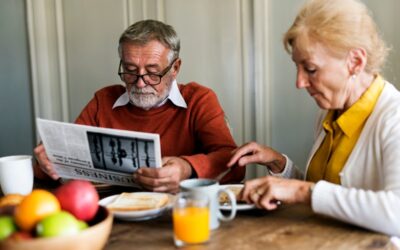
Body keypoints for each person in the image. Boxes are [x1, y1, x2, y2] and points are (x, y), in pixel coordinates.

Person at [228, 0, 400, 236]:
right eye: (297, 67)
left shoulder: (394, 117)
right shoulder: (329, 112)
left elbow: (396, 213)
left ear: (355, 62)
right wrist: (280, 165)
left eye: (310, 69)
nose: (299, 82)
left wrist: (300, 191)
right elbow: (326, 192)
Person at [34, 20, 245, 193]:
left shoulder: (199, 99)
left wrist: (187, 168)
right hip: (113, 213)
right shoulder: (103, 100)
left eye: (153, 71)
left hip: (181, 212)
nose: (140, 82)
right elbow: (62, 164)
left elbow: (233, 165)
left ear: (175, 68)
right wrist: (49, 159)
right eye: (130, 70)